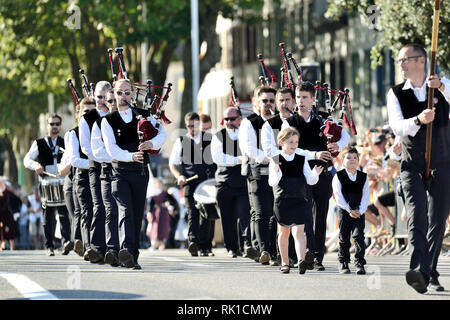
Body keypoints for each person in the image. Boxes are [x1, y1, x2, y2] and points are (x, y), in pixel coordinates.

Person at [387, 43, 450, 293]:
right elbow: (397, 127)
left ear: (421, 61)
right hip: (411, 162)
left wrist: (442, 88)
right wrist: (418, 120)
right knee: (417, 216)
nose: (401, 65)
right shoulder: (396, 93)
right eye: (400, 61)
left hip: (443, 160)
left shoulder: (442, 84)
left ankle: (430, 270)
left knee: (437, 220)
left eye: (405, 60)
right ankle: (418, 270)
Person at [283, 81, 350, 271]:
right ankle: (308, 254)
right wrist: (314, 154)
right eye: (298, 97)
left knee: (320, 215)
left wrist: (338, 146)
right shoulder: (290, 122)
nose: (300, 101)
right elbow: (290, 148)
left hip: (324, 172)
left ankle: (318, 256)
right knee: (306, 216)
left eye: (305, 97)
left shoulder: (324, 119)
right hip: (301, 174)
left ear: (313, 99)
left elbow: (345, 137)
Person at [102, 78, 167, 269]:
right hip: (119, 173)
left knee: (137, 213)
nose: (123, 96)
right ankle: (125, 250)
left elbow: (162, 134)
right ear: (113, 93)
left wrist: (151, 144)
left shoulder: (144, 115)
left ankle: (133, 257)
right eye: (119, 92)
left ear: (132, 93)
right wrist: (131, 156)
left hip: (140, 173)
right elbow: (111, 149)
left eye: (127, 92)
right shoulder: (108, 121)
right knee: (125, 211)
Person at [268, 128, 321, 274]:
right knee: (283, 232)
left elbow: (310, 180)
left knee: (299, 231)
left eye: (296, 142)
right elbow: (272, 182)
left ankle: (301, 260)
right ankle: (285, 263)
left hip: (299, 198)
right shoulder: (275, 159)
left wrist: (315, 174)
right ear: (281, 142)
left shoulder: (301, 158)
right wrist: (277, 171)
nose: (294, 145)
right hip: (282, 200)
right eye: (290, 142)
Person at [23, 113, 73, 256]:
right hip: (46, 182)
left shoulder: (66, 142)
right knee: (48, 216)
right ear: (47, 125)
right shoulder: (38, 143)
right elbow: (27, 159)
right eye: (52, 124)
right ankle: (49, 245)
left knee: (64, 214)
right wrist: (36, 165)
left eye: (57, 124)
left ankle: (65, 242)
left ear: (60, 125)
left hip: (63, 181)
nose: (55, 126)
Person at [239, 86, 278, 265]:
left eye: (271, 100)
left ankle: (274, 250)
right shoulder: (250, 122)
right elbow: (249, 149)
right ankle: (264, 250)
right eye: (265, 101)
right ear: (257, 102)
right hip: (258, 172)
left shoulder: (282, 122)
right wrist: (271, 159)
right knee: (262, 212)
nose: (268, 104)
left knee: (276, 213)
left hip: (279, 172)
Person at [169, 112, 217, 257]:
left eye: (195, 126)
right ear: (186, 126)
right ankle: (193, 242)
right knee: (192, 213)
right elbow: (172, 164)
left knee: (207, 215)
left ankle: (205, 245)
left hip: (207, 182)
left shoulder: (210, 139)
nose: (192, 129)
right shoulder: (181, 141)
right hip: (189, 182)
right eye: (189, 126)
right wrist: (179, 176)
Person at [211, 107, 255, 259]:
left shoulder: (247, 135)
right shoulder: (219, 136)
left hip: (243, 182)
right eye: (226, 119)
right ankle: (232, 248)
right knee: (227, 218)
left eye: (232, 119)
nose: (228, 122)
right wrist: (238, 160)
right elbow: (218, 158)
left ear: (239, 119)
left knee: (244, 216)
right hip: (224, 182)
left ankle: (247, 245)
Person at [79, 81, 112, 263]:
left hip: (116, 167)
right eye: (98, 97)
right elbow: (86, 147)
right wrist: (108, 157)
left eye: (104, 97)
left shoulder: (116, 114)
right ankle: (96, 247)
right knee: (98, 206)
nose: (101, 101)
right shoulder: (88, 118)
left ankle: (113, 247)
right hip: (96, 166)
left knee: (113, 207)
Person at [91, 87, 120, 266]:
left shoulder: (131, 119)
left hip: (128, 172)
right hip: (108, 171)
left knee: (126, 212)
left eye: (114, 100)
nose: (112, 104)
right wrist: (119, 156)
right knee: (110, 209)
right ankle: (112, 249)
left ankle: (126, 249)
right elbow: (96, 151)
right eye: (109, 101)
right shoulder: (100, 123)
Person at [332, 147, 370, 275]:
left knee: (359, 236)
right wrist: (349, 209)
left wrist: (361, 210)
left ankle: (359, 262)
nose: (352, 160)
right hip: (344, 211)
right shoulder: (338, 176)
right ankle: (343, 262)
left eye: (355, 158)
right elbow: (338, 196)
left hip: (359, 211)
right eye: (348, 158)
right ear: (343, 160)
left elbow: (366, 195)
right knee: (344, 237)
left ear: (358, 160)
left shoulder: (363, 177)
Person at [68, 98, 97, 260]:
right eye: (86, 112)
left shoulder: (100, 129)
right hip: (83, 178)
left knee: (99, 211)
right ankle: (88, 246)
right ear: (79, 115)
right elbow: (74, 160)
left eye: (93, 112)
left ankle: (98, 244)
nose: (90, 115)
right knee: (86, 211)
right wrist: (96, 163)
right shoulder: (73, 133)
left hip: (99, 177)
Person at [147, 178, 179, 250]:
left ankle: (162, 244)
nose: (158, 185)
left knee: (163, 228)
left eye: (159, 183)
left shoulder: (165, 193)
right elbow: (151, 204)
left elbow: (173, 202)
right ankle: (154, 244)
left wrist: (172, 208)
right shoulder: (154, 194)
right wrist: (149, 212)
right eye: (157, 183)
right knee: (155, 228)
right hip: (156, 213)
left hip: (164, 213)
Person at [0, 178, 16, 250]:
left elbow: (17, 202)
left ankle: (12, 244)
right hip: (0, 214)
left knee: (10, 229)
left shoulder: (8, 192)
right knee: (1, 229)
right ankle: (2, 244)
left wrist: (16, 211)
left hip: (8, 214)